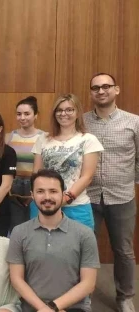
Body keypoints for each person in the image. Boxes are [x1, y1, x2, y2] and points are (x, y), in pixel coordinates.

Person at [7, 169, 99, 312]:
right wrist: (43, 308)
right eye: (40, 191)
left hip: (73, 308)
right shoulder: (19, 232)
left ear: (63, 194)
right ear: (32, 195)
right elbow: (16, 279)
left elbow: (88, 283)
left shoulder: (84, 234)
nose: (47, 197)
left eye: (53, 191)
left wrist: (53, 307)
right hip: (33, 307)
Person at [83, 73, 138, 311]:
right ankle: (83, 295)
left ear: (116, 90)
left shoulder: (134, 122)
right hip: (87, 196)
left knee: (124, 251)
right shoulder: (82, 122)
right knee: (84, 248)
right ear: (91, 93)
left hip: (122, 197)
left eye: (106, 86)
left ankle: (125, 297)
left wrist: (129, 181)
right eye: (96, 88)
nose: (101, 91)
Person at [31, 94, 103, 229]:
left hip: (76, 206)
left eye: (69, 110)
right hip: (43, 205)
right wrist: (43, 198)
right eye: (59, 110)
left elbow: (87, 177)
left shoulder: (88, 140)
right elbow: (36, 173)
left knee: (80, 242)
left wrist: (64, 199)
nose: (63, 113)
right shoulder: (43, 139)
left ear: (77, 113)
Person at [6, 96, 45, 233]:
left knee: (36, 226)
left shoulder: (44, 137)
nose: (22, 117)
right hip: (13, 187)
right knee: (16, 228)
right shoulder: (9, 137)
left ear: (36, 115)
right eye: (19, 114)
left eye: (27, 114)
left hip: (35, 185)